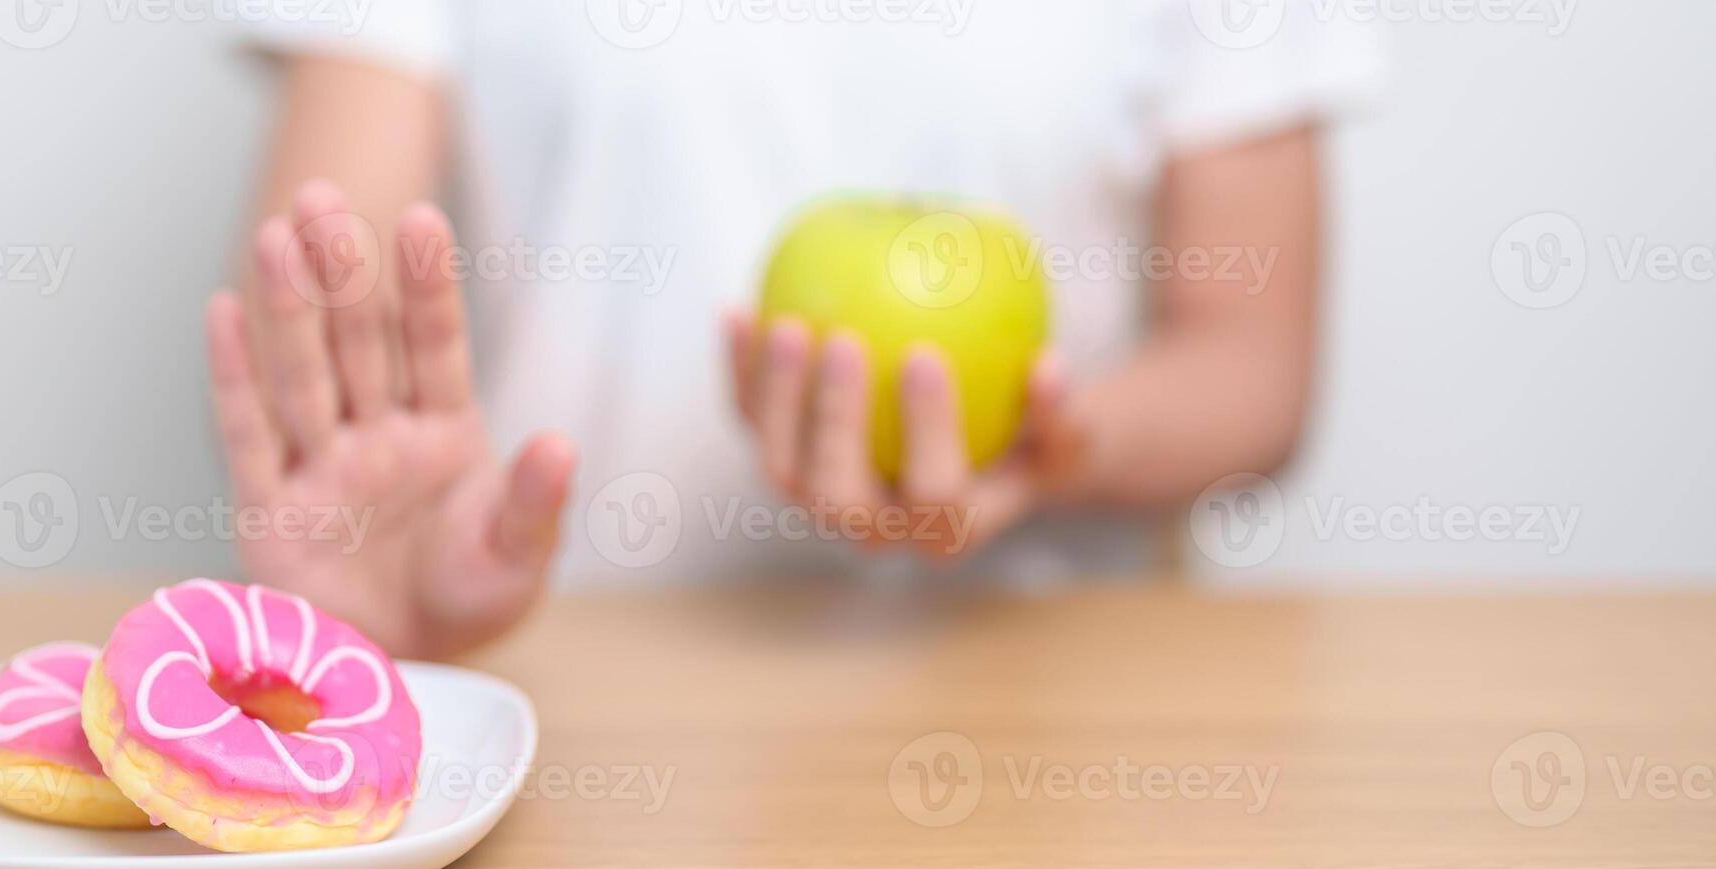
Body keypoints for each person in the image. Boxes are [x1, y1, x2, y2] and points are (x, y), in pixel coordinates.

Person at [200, 2, 1380, 660]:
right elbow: (322, 275)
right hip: (574, 694)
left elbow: (1252, 365)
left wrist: (1058, 444)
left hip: (1049, 698)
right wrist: (374, 531)